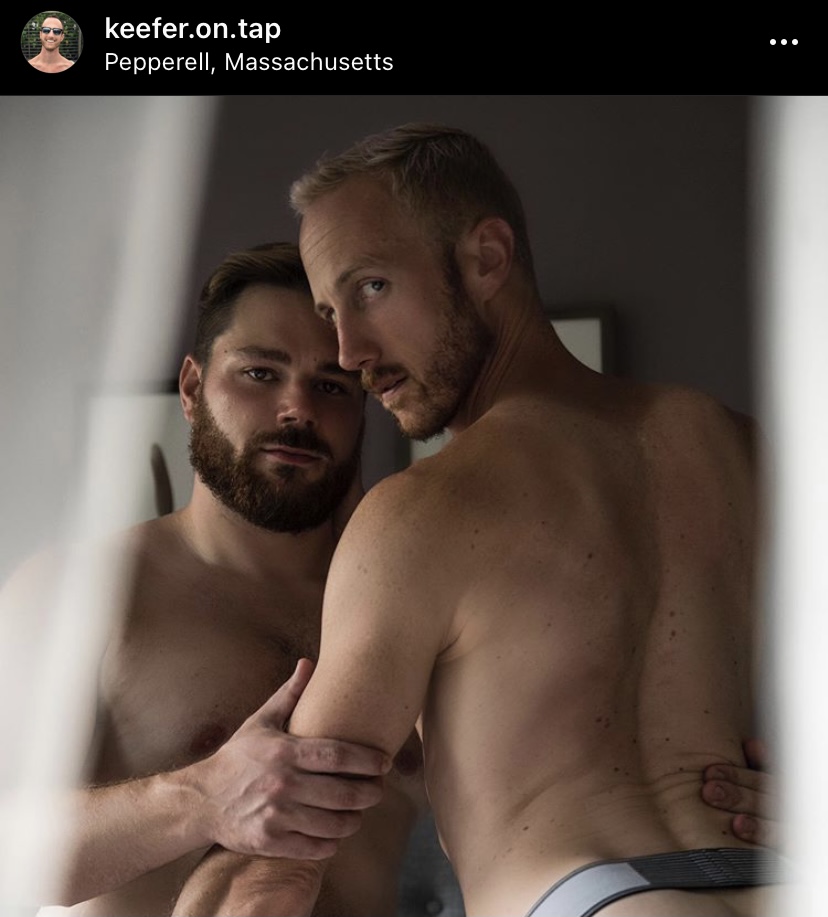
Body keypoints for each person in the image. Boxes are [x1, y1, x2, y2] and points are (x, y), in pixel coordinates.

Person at [172, 124, 788, 917]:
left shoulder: (422, 509)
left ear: (488, 257)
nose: (351, 350)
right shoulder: (742, 450)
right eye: (330, 310)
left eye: (370, 288)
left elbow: (281, 859)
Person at [3, 243, 424, 917]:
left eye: (331, 385)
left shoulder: (413, 600)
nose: (296, 409)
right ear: (193, 388)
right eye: (260, 372)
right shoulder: (78, 593)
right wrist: (202, 798)